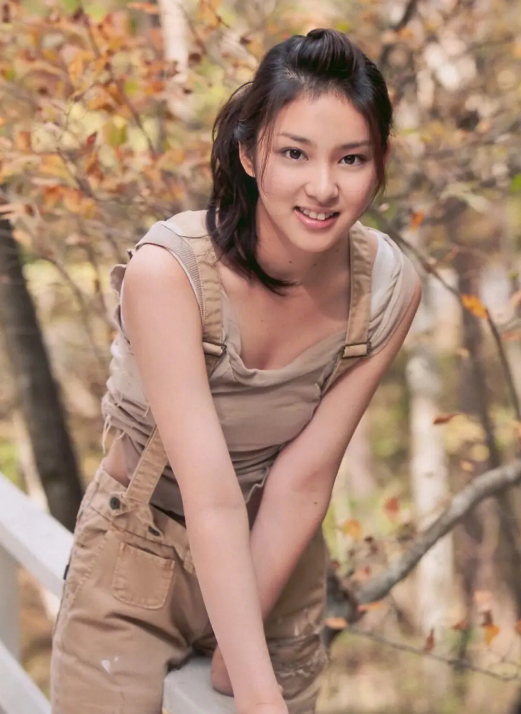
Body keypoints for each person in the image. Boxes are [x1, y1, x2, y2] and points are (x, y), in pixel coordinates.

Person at [51, 27, 421, 714]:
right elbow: (210, 494)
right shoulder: (170, 275)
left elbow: (303, 481)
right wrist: (256, 690)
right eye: (294, 153)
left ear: (380, 163)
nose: (322, 187)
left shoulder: (388, 288)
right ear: (250, 154)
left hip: (277, 562)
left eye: (350, 158)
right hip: (139, 551)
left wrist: (240, 656)